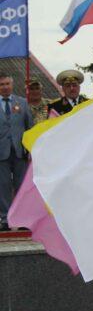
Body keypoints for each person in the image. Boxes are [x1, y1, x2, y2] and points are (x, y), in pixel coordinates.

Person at [0, 72, 33, 231]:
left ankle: (22, 219)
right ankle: (5, 219)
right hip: (1, 153)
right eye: (2, 84)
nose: (5, 87)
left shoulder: (22, 103)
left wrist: (30, 148)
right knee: (3, 186)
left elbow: (29, 127)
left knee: (21, 186)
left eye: (7, 84)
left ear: (12, 85)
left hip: (20, 151)